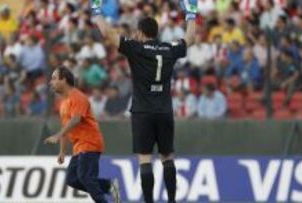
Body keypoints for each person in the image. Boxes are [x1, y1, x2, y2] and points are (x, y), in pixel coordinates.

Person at [91, 0, 197, 202]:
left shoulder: (135, 48)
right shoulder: (169, 48)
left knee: (144, 159)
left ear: (140, 32)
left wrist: (96, 11)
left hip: (142, 111)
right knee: (167, 157)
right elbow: (190, 39)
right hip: (165, 110)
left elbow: (108, 34)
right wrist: (191, 15)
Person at [44, 67, 120, 203]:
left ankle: (107, 191)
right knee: (72, 179)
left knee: (86, 177)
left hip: (90, 141)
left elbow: (76, 119)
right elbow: (66, 128)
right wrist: (62, 151)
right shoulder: (63, 104)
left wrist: (57, 135)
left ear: (64, 80)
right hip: (79, 146)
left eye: (54, 78)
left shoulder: (77, 97)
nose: (51, 82)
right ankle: (108, 186)